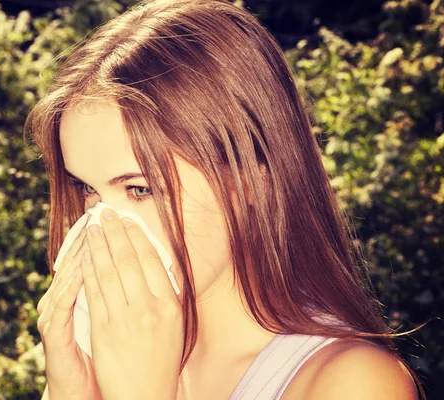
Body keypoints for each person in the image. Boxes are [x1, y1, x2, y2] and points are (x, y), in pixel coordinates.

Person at [26, 0, 424, 399]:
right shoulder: (101, 358)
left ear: (251, 180)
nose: (100, 225)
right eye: (88, 189)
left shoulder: (354, 383)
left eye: (139, 189)